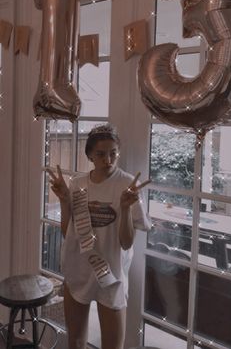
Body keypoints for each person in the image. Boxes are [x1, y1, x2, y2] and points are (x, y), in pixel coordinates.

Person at [47, 124, 151, 349]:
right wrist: (65, 200)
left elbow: (126, 242)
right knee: (75, 341)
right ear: (90, 156)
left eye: (113, 153)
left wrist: (124, 208)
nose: (108, 160)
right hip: (79, 269)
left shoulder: (127, 185)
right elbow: (69, 233)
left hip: (111, 276)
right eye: (101, 154)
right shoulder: (78, 184)